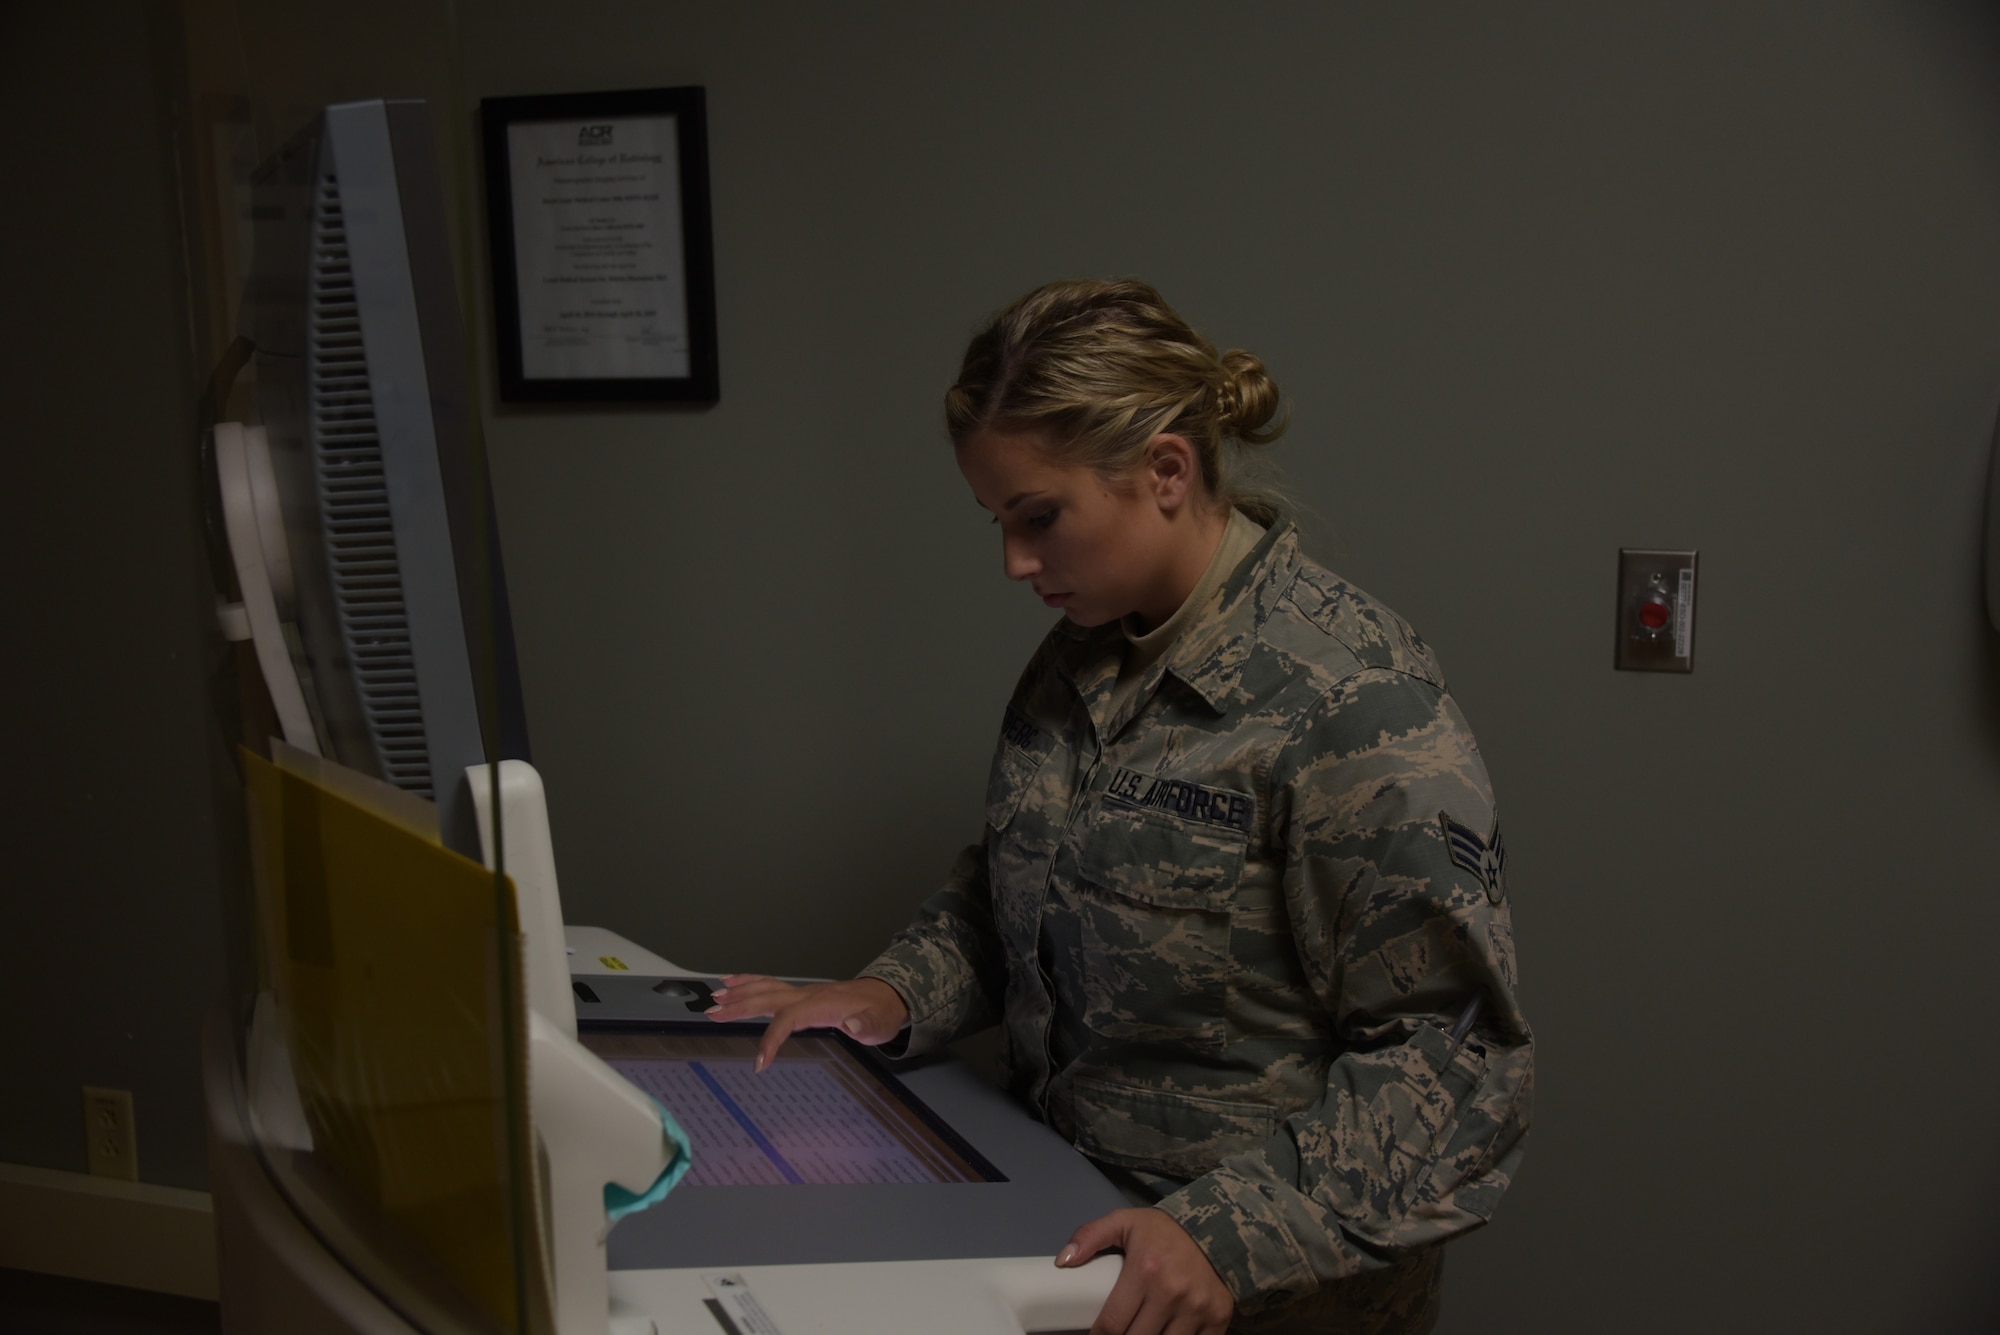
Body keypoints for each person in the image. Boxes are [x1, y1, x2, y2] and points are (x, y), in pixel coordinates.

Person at [707, 280, 1532, 1335]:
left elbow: (1456, 1059)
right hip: (1070, 1259)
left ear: (1165, 472)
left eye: (1038, 518)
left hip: (1258, 1300)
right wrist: (889, 992)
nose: (1012, 563)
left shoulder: (1347, 699)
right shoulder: (1079, 661)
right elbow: (1018, 888)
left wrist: (1223, 1234)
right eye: (996, 521)